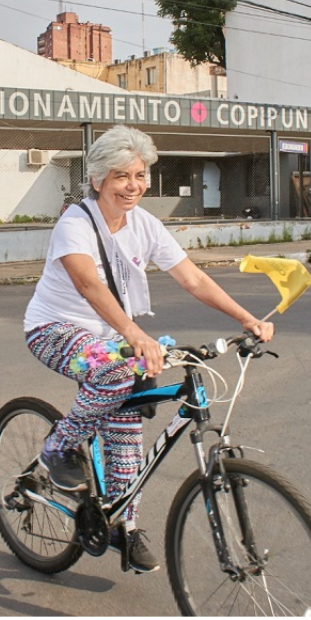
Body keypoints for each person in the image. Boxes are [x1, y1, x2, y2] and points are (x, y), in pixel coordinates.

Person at [23, 124, 275, 574]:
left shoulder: (145, 224)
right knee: (118, 374)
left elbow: (192, 278)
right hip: (56, 329)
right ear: (98, 179)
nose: (133, 185)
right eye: (121, 176)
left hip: (113, 341)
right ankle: (58, 448)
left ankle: (124, 525)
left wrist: (245, 318)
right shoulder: (75, 223)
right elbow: (88, 284)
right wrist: (133, 335)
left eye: (139, 175)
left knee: (128, 432)